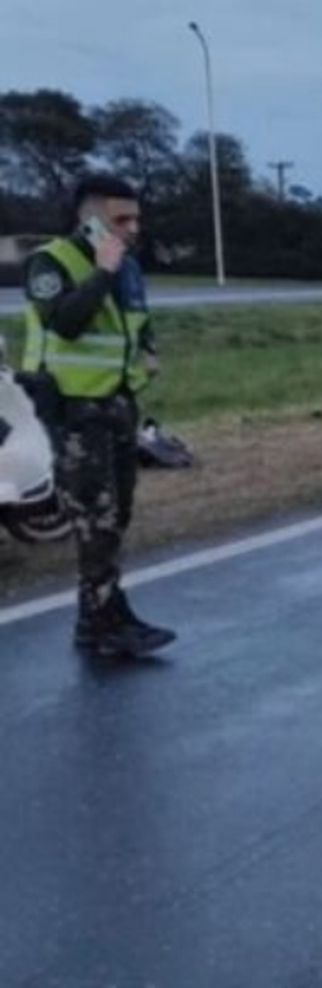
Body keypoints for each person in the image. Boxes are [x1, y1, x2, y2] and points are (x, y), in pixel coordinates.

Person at [20, 174, 174, 660]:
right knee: (95, 519)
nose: (132, 229)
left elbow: (135, 322)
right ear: (88, 222)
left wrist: (148, 351)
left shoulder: (126, 268)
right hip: (71, 410)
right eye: (120, 220)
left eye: (136, 219)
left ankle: (104, 612)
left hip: (116, 404)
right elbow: (64, 323)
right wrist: (102, 273)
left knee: (117, 513)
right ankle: (102, 620)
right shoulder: (51, 261)